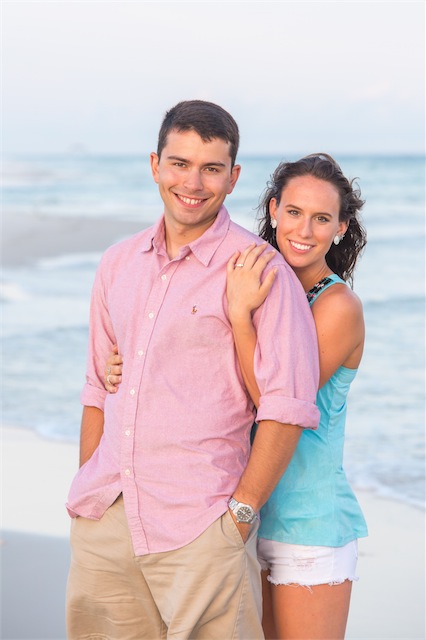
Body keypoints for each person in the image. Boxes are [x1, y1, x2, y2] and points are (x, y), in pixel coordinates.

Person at [66, 100, 320, 640]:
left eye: (211, 168)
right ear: (155, 164)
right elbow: (96, 385)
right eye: (180, 163)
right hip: (106, 522)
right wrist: (87, 488)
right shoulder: (117, 263)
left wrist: (240, 517)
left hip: (201, 529)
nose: (193, 182)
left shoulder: (262, 271)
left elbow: (288, 407)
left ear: (234, 178)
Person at [105, 153, 368, 639]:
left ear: (340, 228)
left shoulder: (337, 307)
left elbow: (275, 401)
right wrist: (119, 367)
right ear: (272, 210)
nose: (304, 229)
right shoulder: (262, 282)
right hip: (234, 514)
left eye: (321, 218)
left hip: (305, 526)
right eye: (293, 212)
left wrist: (241, 315)